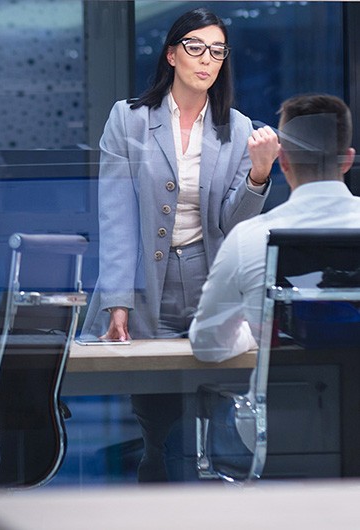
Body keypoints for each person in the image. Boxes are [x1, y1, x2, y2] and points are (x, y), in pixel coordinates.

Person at [80, 7, 280, 482]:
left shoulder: (237, 127)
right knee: (154, 397)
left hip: (209, 276)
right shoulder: (128, 120)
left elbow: (232, 223)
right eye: (194, 47)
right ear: (171, 54)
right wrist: (118, 301)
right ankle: (154, 466)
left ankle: (202, 479)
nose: (206, 60)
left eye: (216, 51)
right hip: (148, 275)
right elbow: (116, 217)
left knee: (209, 388)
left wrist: (259, 173)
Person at [190, 94, 360, 361]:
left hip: (284, 399)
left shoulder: (249, 239)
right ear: (348, 160)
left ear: (283, 162)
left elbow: (207, 345)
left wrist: (255, 332)